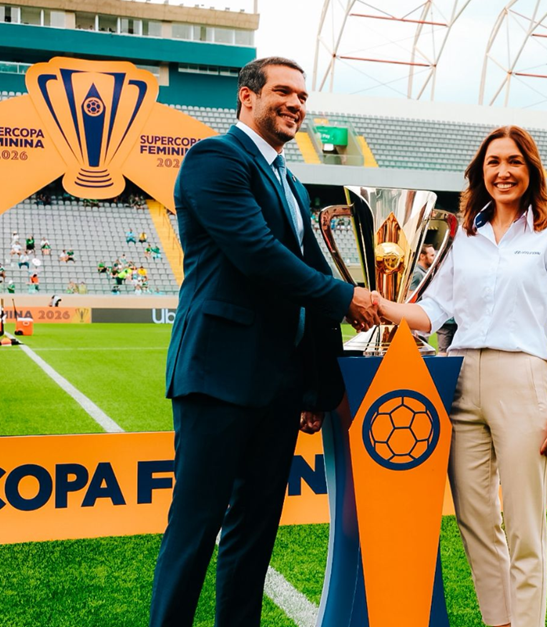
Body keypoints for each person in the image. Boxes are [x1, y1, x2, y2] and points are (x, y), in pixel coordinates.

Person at [149, 56, 379, 627]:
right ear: (246, 98)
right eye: (283, 91)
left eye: (303, 96)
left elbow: (304, 277)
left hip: (277, 385)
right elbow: (258, 256)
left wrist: (314, 386)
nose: (296, 104)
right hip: (218, 376)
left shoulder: (291, 181)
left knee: (253, 534)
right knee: (195, 528)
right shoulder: (214, 159)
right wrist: (348, 300)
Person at [373, 125, 547, 627]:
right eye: (493, 163)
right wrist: (381, 305)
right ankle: (501, 622)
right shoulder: (462, 237)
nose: (503, 172)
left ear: (530, 170)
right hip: (461, 378)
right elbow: (436, 309)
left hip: (523, 380)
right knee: (474, 518)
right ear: (480, 172)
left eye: (514, 162)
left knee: (524, 526)